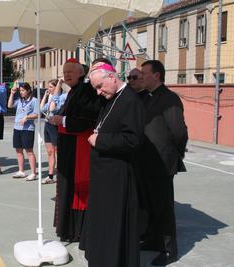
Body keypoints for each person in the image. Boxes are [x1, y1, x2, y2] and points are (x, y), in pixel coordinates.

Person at [83, 63, 145, 267]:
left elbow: (132, 140)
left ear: (112, 77)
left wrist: (99, 141)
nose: (99, 92)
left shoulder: (130, 100)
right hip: (104, 174)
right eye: (96, 89)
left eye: (100, 86)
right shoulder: (110, 98)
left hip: (117, 175)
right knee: (103, 221)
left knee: (113, 222)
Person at [139, 60, 188, 266]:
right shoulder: (147, 98)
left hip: (162, 162)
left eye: (144, 73)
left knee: (164, 208)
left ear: (156, 75)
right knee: (150, 205)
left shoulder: (170, 98)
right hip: (147, 161)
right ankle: (152, 240)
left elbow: (179, 132)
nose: (141, 77)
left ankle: (169, 251)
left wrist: (174, 155)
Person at [48, 58, 101, 242]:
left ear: (81, 73)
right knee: (67, 188)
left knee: (76, 189)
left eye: (71, 71)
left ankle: (76, 230)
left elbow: (87, 120)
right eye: (65, 71)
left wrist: (60, 120)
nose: (67, 74)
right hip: (69, 148)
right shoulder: (73, 91)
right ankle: (69, 229)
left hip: (79, 149)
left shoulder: (86, 92)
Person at [7, 82, 38, 181]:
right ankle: (21, 171)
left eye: (23, 90)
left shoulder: (34, 101)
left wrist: (27, 117)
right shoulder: (20, 101)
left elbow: (37, 114)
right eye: (20, 91)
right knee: (18, 150)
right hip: (17, 128)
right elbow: (10, 105)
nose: (21, 92)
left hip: (28, 129)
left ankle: (33, 173)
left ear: (28, 90)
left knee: (29, 151)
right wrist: (12, 93)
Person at [40, 79, 63, 184]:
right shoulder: (50, 98)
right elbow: (41, 109)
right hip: (47, 124)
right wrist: (45, 96)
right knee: (50, 152)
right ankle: (50, 175)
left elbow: (53, 109)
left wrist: (53, 96)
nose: (48, 89)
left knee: (58, 151)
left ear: (56, 87)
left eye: (50, 87)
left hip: (54, 125)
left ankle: (61, 174)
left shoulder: (61, 98)